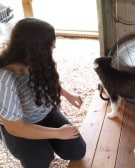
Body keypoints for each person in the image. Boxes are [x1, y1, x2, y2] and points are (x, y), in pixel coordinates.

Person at [0, 18, 86, 168]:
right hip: (21, 125)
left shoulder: (38, 61)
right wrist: (58, 133)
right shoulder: (5, 80)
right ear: (34, 48)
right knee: (40, 159)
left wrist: (67, 94)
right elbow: (16, 128)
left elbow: (49, 80)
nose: (54, 46)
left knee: (77, 151)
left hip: (45, 113)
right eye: (50, 44)